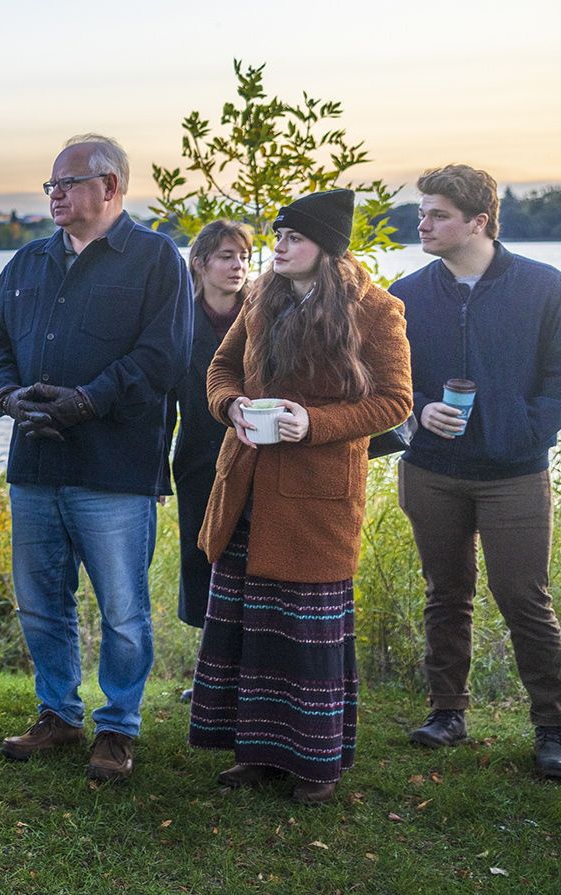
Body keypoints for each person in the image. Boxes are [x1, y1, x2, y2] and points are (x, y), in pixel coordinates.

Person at [0, 135, 191, 781]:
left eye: (68, 182)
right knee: (42, 602)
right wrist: (9, 396)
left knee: (123, 609)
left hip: (115, 470)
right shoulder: (26, 263)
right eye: (51, 185)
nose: (56, 194)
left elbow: (164, 358)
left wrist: (87, 401)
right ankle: (59, 714)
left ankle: (118, 727)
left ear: (112, 186)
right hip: (36, 465)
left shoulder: (156, 260)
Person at [188, 188, 413, 805]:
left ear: (327, 248)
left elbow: (396, 401)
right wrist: (230, 405)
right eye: (278, 236)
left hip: (316, 496)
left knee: (305, 630)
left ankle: (316, 765)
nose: (278, 246)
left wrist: (313, 424)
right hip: (248, 486)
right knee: (250, 623)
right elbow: (220, 368)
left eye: (294, 238)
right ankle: (255, 755)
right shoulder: (260, 297)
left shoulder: (376, 309)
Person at [389, 164, 561, 777]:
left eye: (436, 214)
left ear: (477, 222)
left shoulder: (545, 286)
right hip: (432, 470)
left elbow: (556, 378)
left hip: (514, 472)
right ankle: (447, 711)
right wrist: (414, 414)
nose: (424, 223)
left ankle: (553, 726)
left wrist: (527, 430)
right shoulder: (405, 295)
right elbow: (388, 384)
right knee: (446, 593)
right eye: (423, 213)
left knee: (524, 597)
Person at [171, 222, 254, 635]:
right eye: (226, 256)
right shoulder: (177, 318)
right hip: (197, 457)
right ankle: (208, 669)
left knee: (253, 561)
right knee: (202, 556)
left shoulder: (264, 312)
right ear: (200, 263)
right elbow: (161, 398)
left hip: (256, 454)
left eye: (243, 257)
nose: (238, 266)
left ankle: (252, 666)